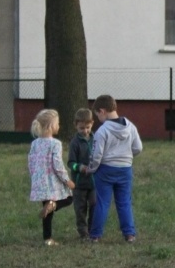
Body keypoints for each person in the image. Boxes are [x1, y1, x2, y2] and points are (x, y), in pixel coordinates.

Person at [84, 95, 143, 243]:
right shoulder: (130, 127)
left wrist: (91, 169)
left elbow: (96, 155)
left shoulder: (102, 131)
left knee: (103, 202)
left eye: (97, 115)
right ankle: (129, 234)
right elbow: (138, 148)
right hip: (125, 169)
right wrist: (127, 157)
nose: (98, 119)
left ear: (102, 111)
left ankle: (95, 235)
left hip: (105, 170)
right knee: (124, 202)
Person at [28, 109, 75, 246]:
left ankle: (47, 239)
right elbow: (57, 165)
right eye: (58, 123)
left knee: (47, 212)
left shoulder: (35, 143)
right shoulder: (55, 144)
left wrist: (34, 178)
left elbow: (31, 162)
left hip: (40, 181)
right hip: (53, 181)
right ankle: (54, 205)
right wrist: (67, 181)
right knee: (69, 198)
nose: (59, 126)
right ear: (51, 126)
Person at [67, 108, 96, 240]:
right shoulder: (75, 143)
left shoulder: (96, 139)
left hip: (94, 181)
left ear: (92, 124)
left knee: (95, 205)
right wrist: (79, 167)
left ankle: (92, 230)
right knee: (80, 209)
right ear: (76, 126)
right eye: (81, 128)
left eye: (87, 127)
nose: (85, 131)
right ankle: (83, 233)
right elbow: (70, 163)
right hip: (79, 183)